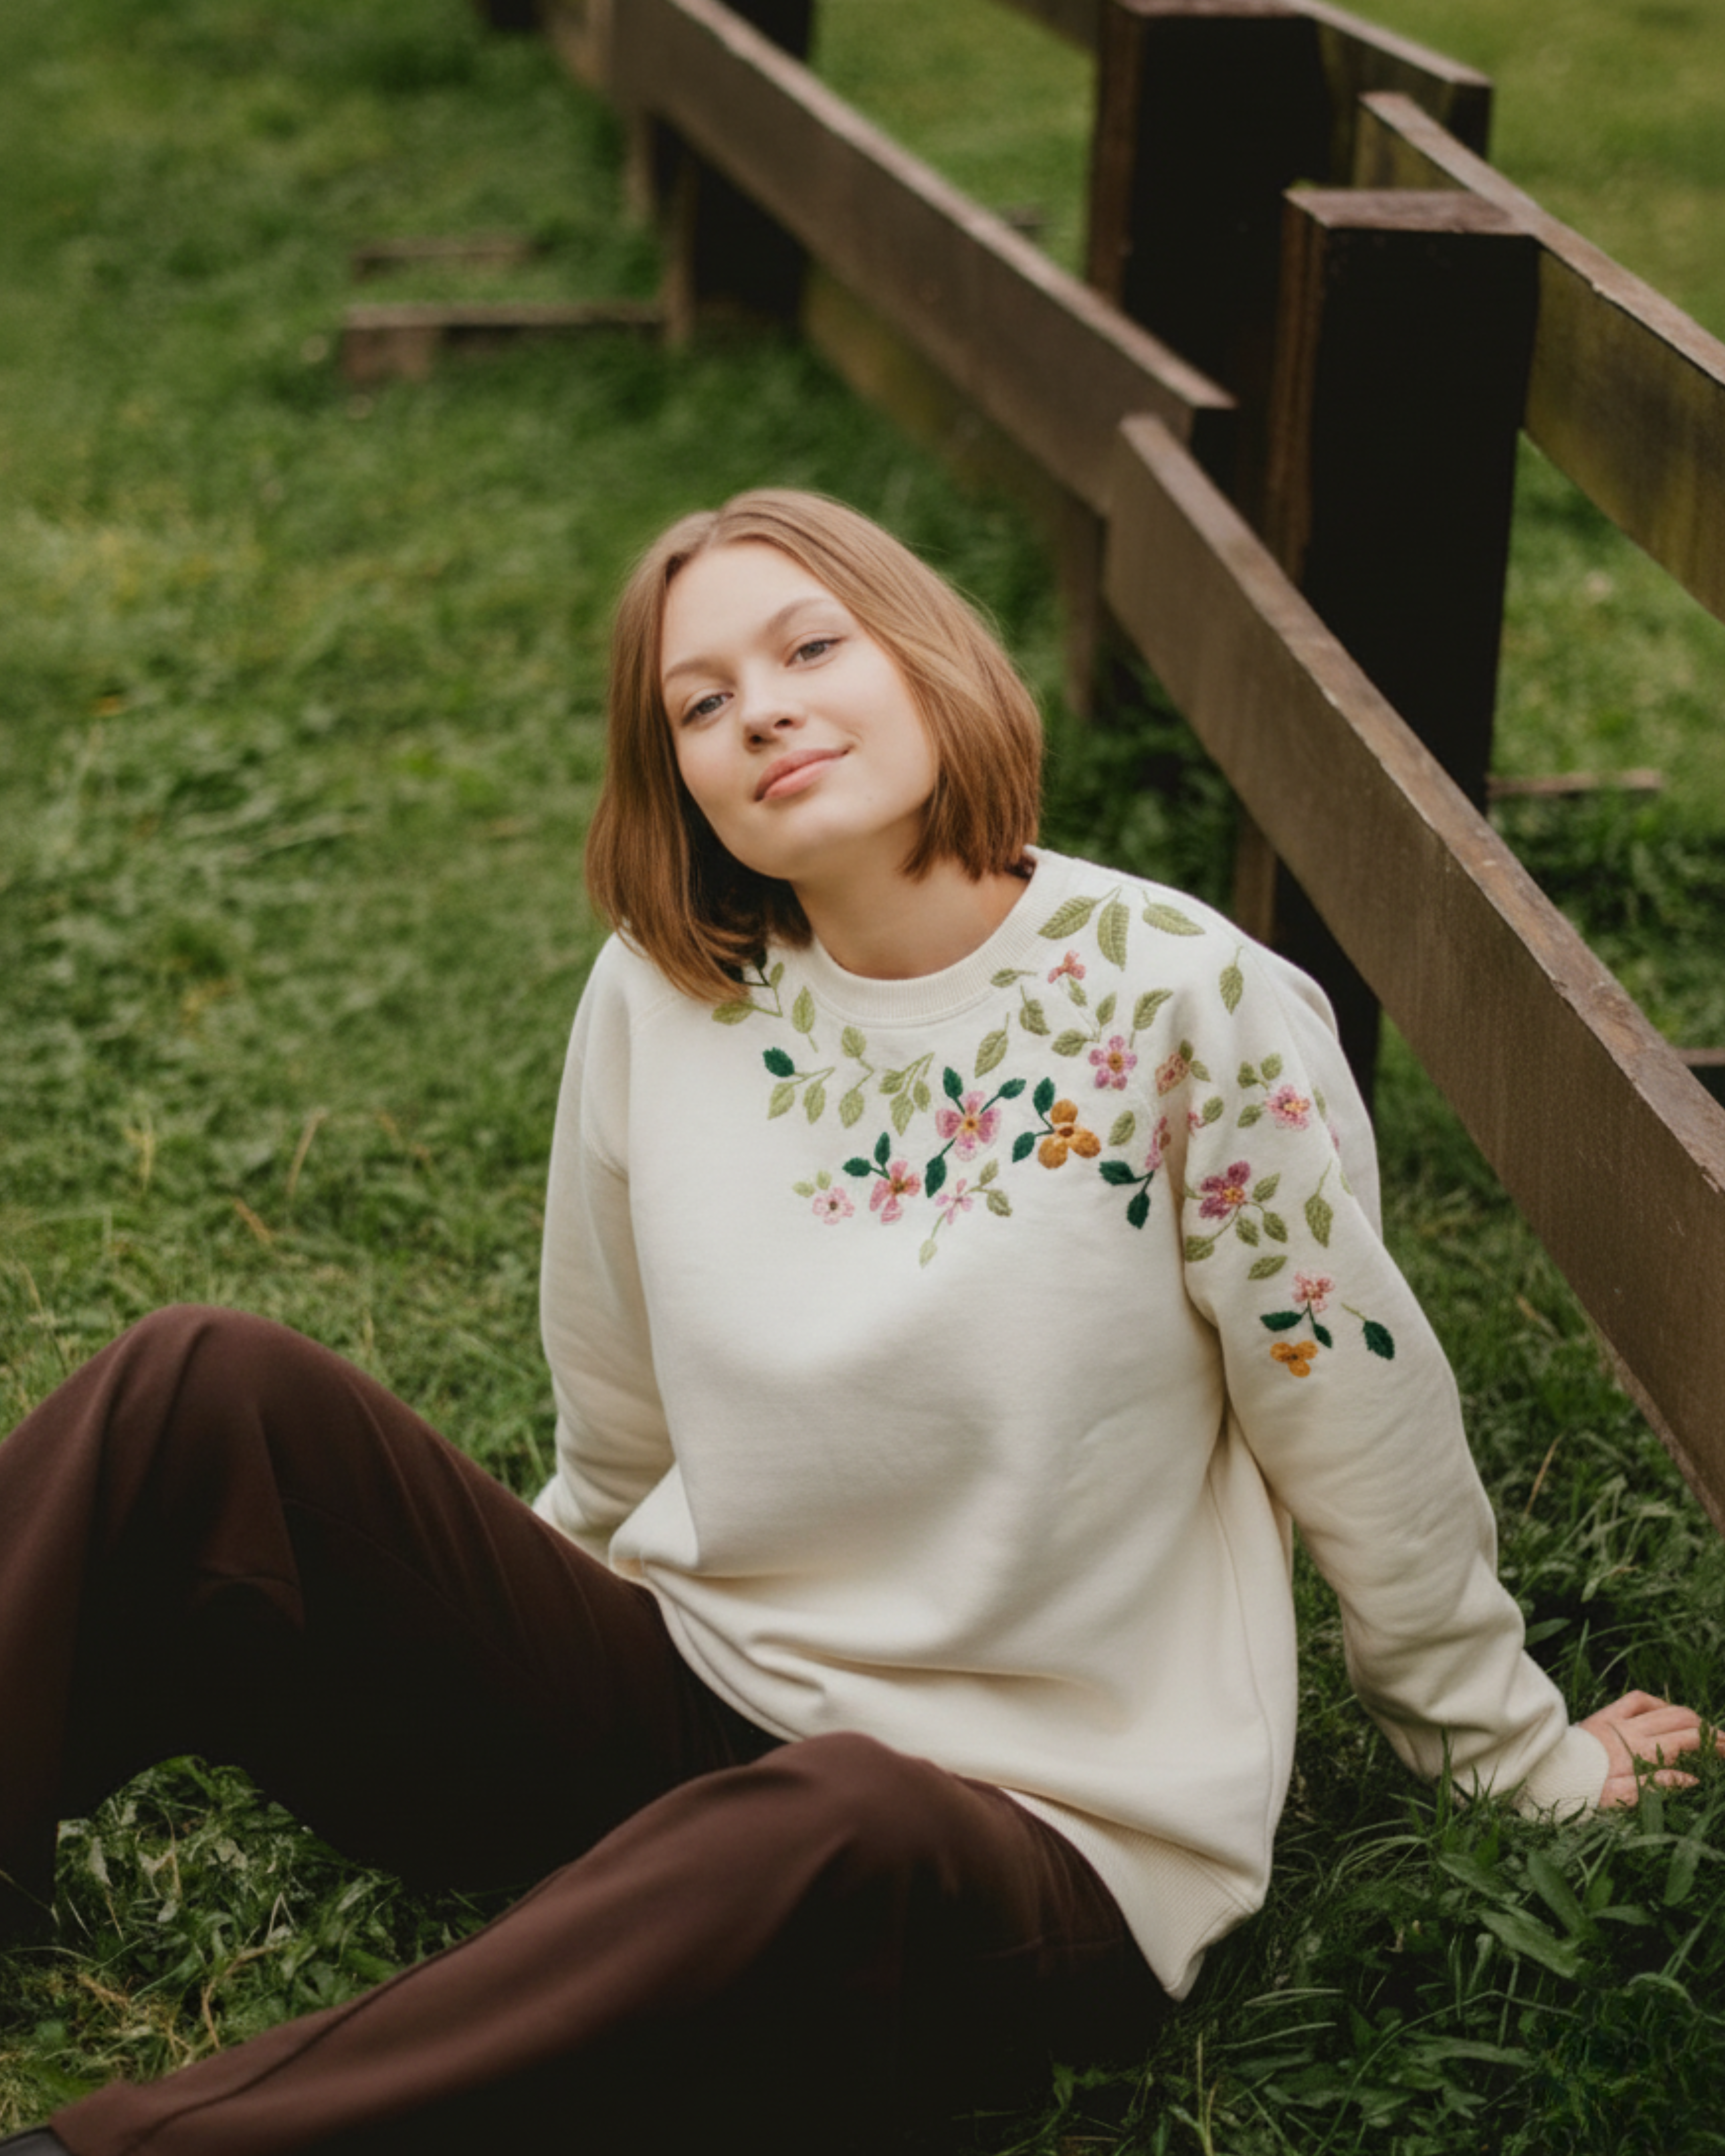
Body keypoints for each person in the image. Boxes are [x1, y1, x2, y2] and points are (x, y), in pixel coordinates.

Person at [0, 489, 1716, 2156]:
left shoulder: (1184, 1002)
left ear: (922, 658)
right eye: (702, 701)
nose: (764, 711)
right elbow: (613, 1414)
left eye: (807, 645)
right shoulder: (664, 990)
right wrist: (487, 1632)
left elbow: (1354, 1417)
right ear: (675, 776)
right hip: (687, 1705)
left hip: (1019, 1832)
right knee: (199, 1386)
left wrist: (1504, 1747)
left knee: (836, 1819)